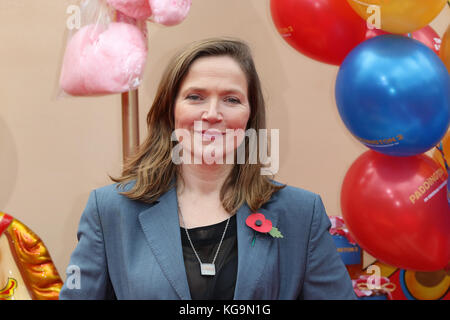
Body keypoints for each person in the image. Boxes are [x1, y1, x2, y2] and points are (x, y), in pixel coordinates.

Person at [59, 38, 356, 300]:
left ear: (250, 116)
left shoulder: (301, 214)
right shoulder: (110, 210)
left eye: (231, 99)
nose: (212, 114)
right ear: (170, 110)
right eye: (195, 97)